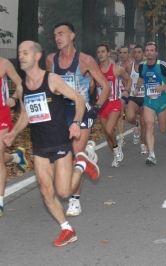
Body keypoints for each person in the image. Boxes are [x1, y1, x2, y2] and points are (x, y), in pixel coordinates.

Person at [4, 41, 99, 246]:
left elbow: (79, 99)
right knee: (46, 190)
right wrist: (13, 133)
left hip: (60, 143)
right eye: (19, 53)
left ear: (37, 56)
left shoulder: (52, 79)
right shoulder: (22, 87)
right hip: (39, 147)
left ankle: (82, 163)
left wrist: (75, 122)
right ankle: (67, 229)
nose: (21, 56)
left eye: (25, 52)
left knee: (64, 192)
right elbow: (25, 115)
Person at [46, 21, 111, 217]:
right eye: (55, 34)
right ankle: (88, 155)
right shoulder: (51, 60)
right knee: (58, 158)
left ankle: (75, 201)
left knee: (74, 155)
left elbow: (106, 87)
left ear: (72, 36)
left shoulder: (85, 60)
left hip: (80, 111)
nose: (57, 38)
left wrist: (95, 109)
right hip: (59, 112)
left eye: (61, 33)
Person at [134, 42, 166, 165]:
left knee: (162, 128)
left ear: (156, 53)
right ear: (145, 53)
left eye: (152, 50)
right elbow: (141, 78)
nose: (149, 52)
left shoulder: (163, 65)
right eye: (147, 50)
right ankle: (151, 155)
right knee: (149, 125)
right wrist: (137, 88)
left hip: (162, 100)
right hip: (149, 101)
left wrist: (164, 87)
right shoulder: (142, 66)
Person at [0, 57, 28, 217]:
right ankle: (16, 157)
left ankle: (0, 202)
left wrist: (15, 98)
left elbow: (21, 83)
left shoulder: (3, 63)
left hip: (2, 116)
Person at [96, 44, 132, 167]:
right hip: (101, 105)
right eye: (98, 52)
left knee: (109, 129)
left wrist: (126, 91)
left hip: (114, 103)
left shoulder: (116, 69)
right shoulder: (95, 70)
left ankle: (117, 149)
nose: (100, 54)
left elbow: (129, 79)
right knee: (107, 135)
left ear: (108, 54)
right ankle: (116, 152)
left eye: (103, 51)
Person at [126, 45, 148, 153]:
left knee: (144, 122)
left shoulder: (148, 65)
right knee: (129, 117)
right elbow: (125, 79)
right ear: (133, 54)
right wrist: (127, 89)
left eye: (139, 52)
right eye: (135, 52)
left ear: (143, 53)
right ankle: (136, 124)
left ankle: (143, 144)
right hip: (133, 96)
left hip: (145, 97)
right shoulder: (130, 66)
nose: (137, 54)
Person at [116, 45, 132, 148]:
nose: (122, 55)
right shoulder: (117, 66)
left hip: (132, 93)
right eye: (121, 53)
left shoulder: (133, 65)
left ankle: (136, 125)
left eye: (125, 52)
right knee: (119, 114)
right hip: (121, 93)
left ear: (129, 54)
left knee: (131, 117)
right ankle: (121, 137)